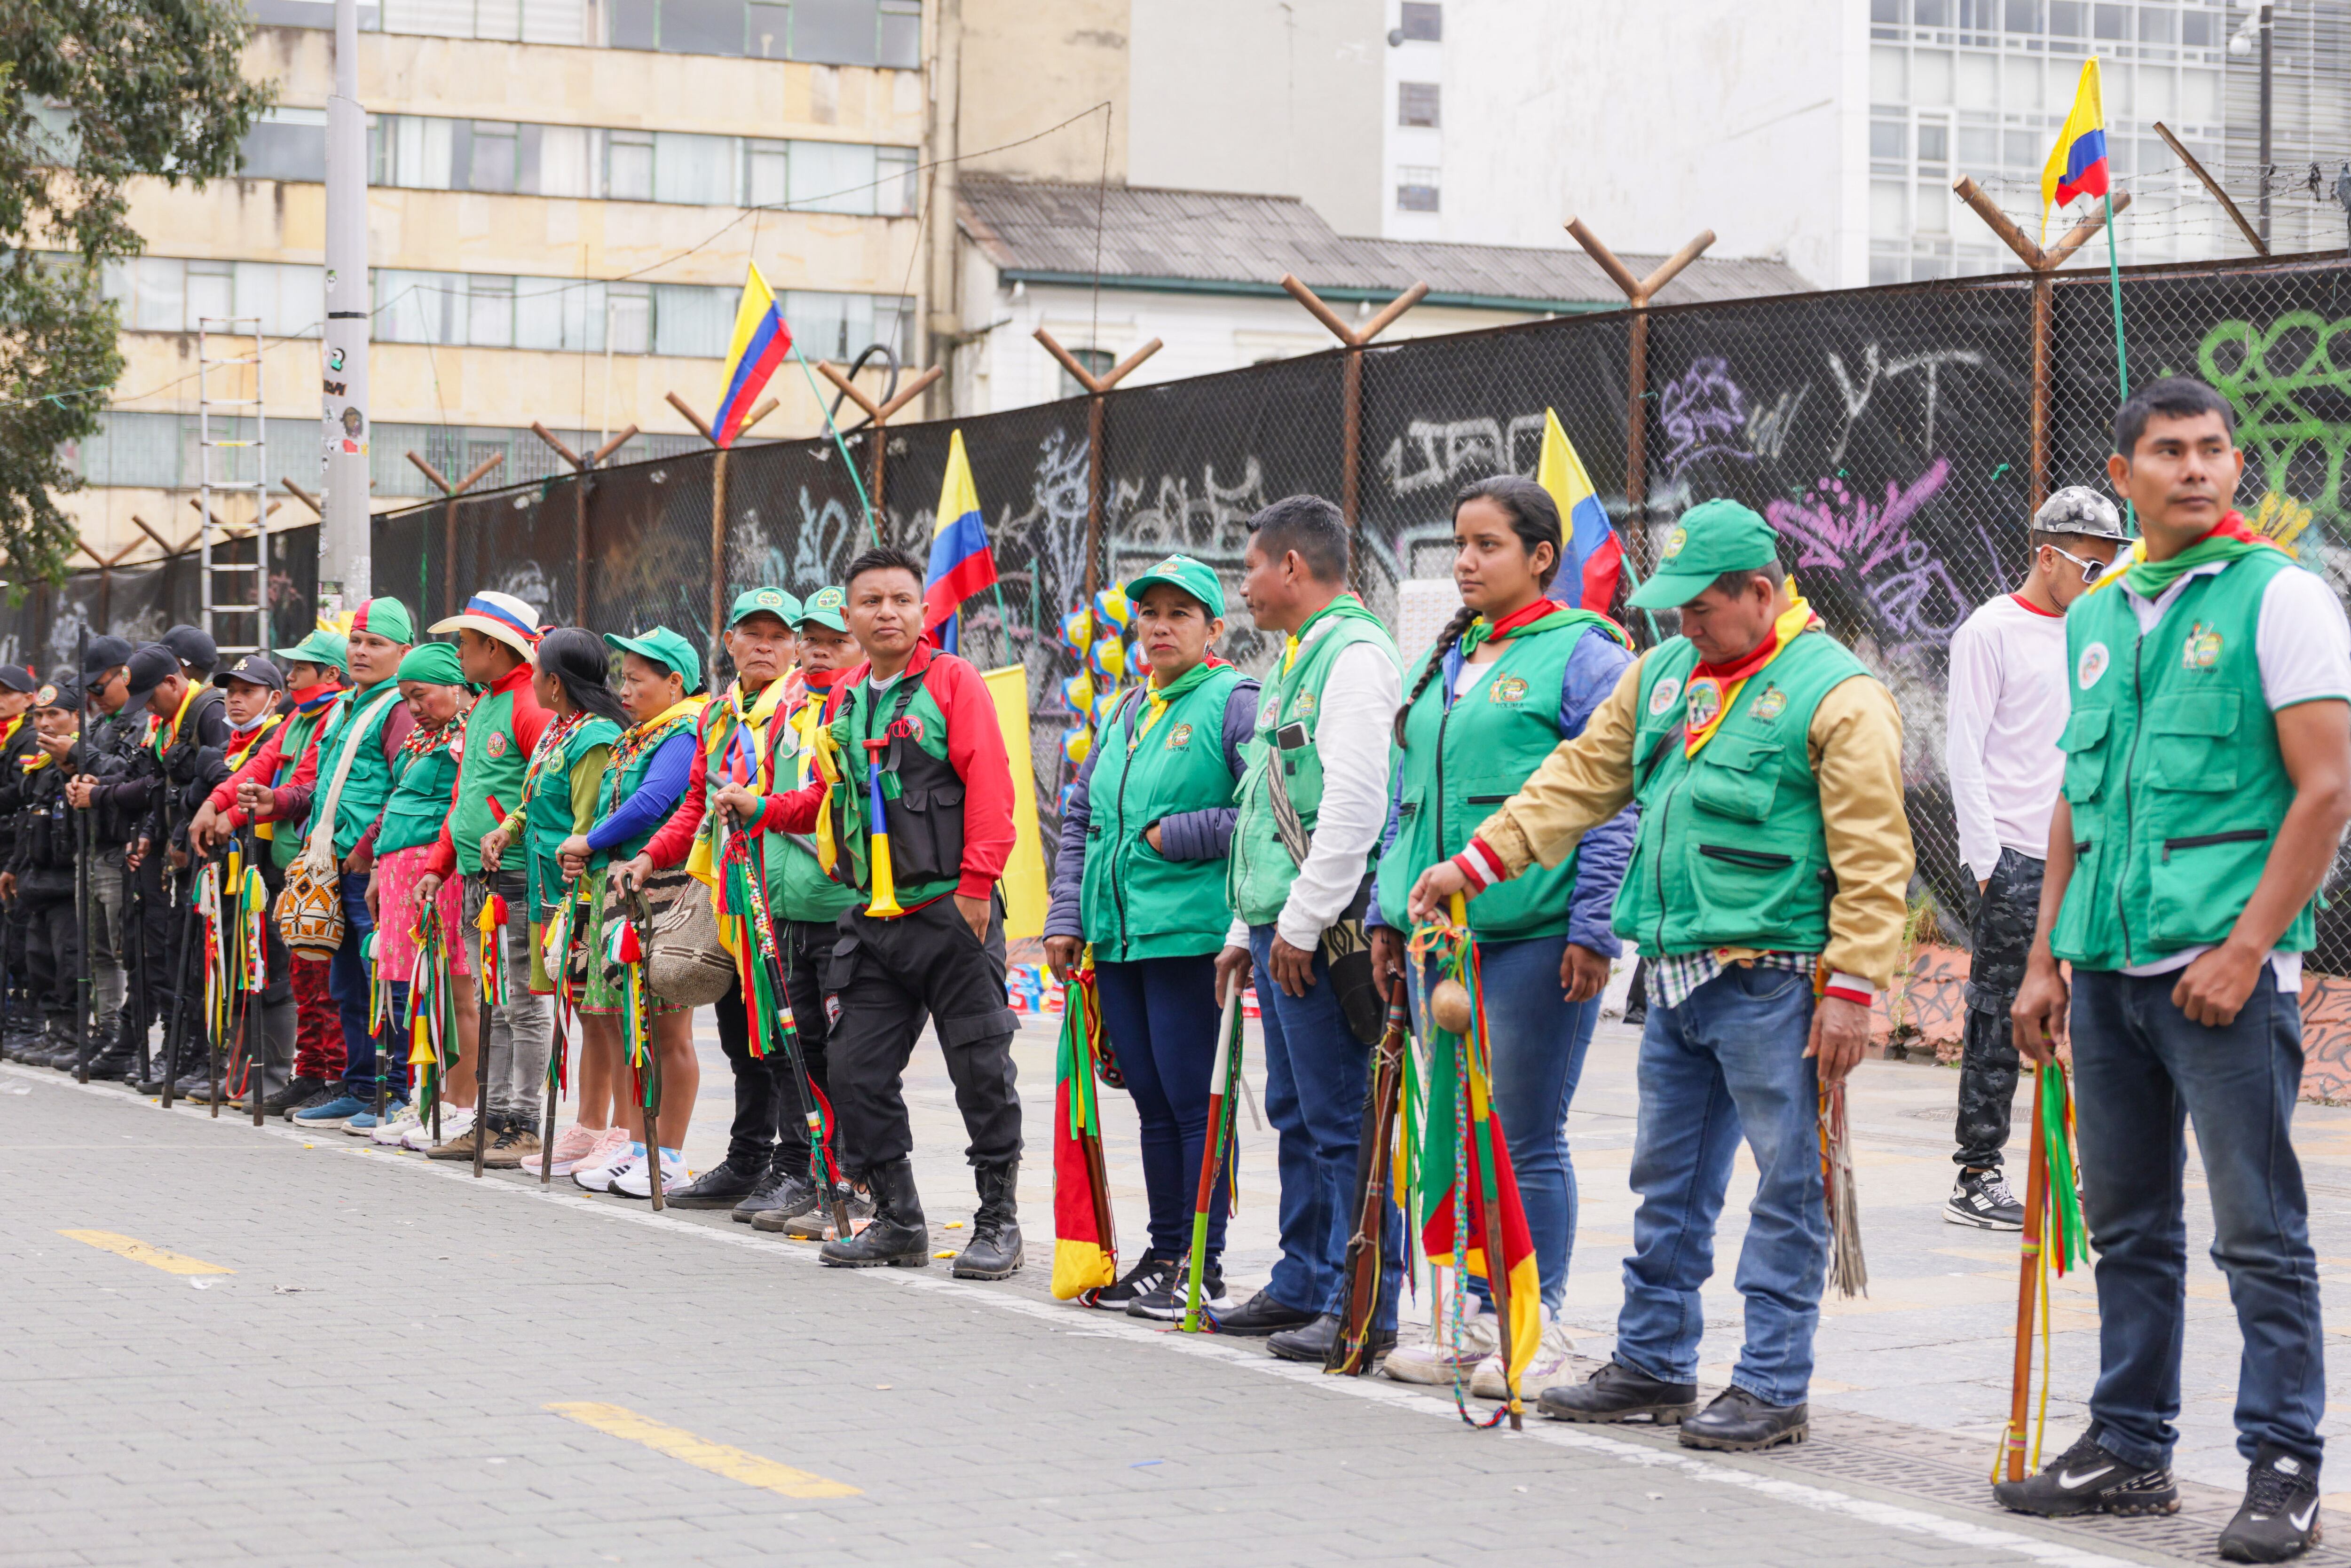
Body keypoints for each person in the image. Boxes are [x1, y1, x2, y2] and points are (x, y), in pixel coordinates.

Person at [1410, 497, 1912, 1452]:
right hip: (1675, 979)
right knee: (1666, 1181)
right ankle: (1653, 1360)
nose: (1681, 622)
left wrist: (1853, 989)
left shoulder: (1837, 694)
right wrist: (1476, 861)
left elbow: (1875, 856)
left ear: (1758, 593)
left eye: (1699, 607)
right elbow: (1577, 777)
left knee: (1787, 1186)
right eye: (1672, 605)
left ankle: (1770, 1383)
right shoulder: (1665, 672)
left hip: (1779, 984)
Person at [1998, 377, 2351, 1563]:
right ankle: (2129, 1446)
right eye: (2168, 451)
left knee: (2258, 1231)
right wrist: (2045, 958)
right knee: (2130, 1222)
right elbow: (2073, 797)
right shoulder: (2099, 612)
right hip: (2101, 973)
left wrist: (2247, 949)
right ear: (2127, 471)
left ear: (2234, 467)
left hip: (2223, 979)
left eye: (2212, 450)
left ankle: (2284, 1465)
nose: (2195, 469)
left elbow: (2326, 789)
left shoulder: (2281, 598)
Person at [1368, 475, 1637, 1396]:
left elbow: (1610, 795)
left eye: (1487, 544)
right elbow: (1410, 801)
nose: (1466, 561)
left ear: (1542, 558)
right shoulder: (1449, 657)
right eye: (1459, 543)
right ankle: (1480, 1315)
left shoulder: (1586, 652)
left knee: (1524, 1133)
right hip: (1439, 943)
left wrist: (1593, 924)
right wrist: (1382, 905)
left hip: (1535, 932)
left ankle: (1538, 1318)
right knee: (1462, 1133)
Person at [728, 546, 1022, 1276]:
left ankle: (999, 1222)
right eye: (871, 601)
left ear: (922, 610)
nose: (887, 611)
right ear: (850, 616)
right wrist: (763, 807)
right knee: (855, 1071)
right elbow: (832, 801)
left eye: (901, 599)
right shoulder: (847, 695)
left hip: (952, 912)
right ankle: (898, 1218)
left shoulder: (955, 682)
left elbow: (992, 785)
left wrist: (978, 886)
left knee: (981, 1071)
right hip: (873, 919)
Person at [1207, 496, 1404, 1360]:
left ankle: (1361, 1295)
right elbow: (1267, 805)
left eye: (1250, 566)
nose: (1242, 585)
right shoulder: (1299, 656)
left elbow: (1357, 807)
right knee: (1296, 1111)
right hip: (1282, 928)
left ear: (1291, 567)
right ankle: (1304, 1281)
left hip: (1321, 934)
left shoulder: (1355, 659)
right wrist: (1246, 932)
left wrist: (1298, 922)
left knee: (1341, 1121)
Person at [1044, 554, 1259, 1316]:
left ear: (1213, 629)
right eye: (1149, 615)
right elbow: (1084, 821)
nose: (1160, 627)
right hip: (1119, 941)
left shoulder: (1236, 702)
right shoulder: (1128, 712)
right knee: (1153, 1104)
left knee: (1195, 1103)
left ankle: (1203, 1265)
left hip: (1189, 939)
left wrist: (1185, 833)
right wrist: (1067, 918)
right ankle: (1164, 1251)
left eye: (1179, 614)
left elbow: (1268, 813)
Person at [1941, 484, 2126, 1230]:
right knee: (1998, 1018)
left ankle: (2086, 1171)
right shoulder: (1990, 631)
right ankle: (1978, 1175)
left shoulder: (2101, 631)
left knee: (2100, 1016)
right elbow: (1963, 754)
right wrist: (1989, 865)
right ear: (2047, 555)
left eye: (2110, 570)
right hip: (2016, 855)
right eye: (2091, 568)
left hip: (2092, 853)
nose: (2101, 582)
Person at [635, 587, 815, 1213]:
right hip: (732, 893)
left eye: (777, 635)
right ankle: (749, 1158)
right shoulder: (717, 714)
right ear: (731, 641)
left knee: (787, 1037)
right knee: (741, 1034)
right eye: (752, 634)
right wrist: (651, 855)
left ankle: (799, 1164)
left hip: (790, 891)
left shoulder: (806, 704)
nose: (764, 646)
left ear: (797, 644)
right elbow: (693, 802)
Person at [563, 626, 706, 1198]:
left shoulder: (684, 732)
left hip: (663, 892)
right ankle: (638, 1146)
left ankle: (668, 1153)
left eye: (636, 678)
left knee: (670, 1028)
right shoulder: (638, 734)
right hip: (624, 889)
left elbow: (654, 801)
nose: (624, 688)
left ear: (675, 682)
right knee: (634, 1022)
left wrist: (589, 842)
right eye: (622, 675)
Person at [742, 586, 865, 1237]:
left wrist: (763, 809)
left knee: (850, 1053)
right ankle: (814, 1173)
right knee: (799, 1044)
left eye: (832, 638)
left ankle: (856, 1179)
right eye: (809, 636)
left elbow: (826, 803)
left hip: (843, 906)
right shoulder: (789, 708)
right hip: (785, 904)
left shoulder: (858, 708)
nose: (817, 648)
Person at [266, 599, 417, 1126]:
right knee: (347, 983)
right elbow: (321, 784)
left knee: (387, 981)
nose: (360, 650)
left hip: (372, 872)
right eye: (355, 640)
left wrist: (367, 849)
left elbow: (407, 790)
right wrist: (278, 802)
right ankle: (357, 1086)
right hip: (335, 866)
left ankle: (393, 1091)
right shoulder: (341, 706)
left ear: (404, 651)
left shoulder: (399, 707)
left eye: (375, 643)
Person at [480, 627, 625, 1174]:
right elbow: (534, 801)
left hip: (579, 890)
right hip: (547, 884)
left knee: (601, 1009)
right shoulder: (557, 732)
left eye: (537, 669)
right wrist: (508, 829)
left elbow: (589, 819)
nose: (532, 678)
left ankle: (612, 1129)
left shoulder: (594, 738)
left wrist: (576, 872)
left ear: (555, 683)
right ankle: (588, 1126)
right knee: (585, 1014)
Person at [418, 592, 554, 1165]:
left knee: (522, 1003)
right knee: (495, 1000)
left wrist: (512, 838)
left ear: (494, 647)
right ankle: (491, 1118)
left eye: (466, 642)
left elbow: (546, 790)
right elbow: (464, 798)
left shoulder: (527, 703)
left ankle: (522, 1123)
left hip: (517, 879)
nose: (459, 651)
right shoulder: (485, 707)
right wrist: (438, 865)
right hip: (479, 881)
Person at [192, 629, 347, 1112]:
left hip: (322, 862)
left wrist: (234, 811)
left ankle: (335, 1077)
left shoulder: (335, 714)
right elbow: (257, 769)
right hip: (291, 863)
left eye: (300, 667)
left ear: (329, 674)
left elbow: (302, 785)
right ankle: (310, 1073)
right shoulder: (298, 718)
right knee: (302, 974)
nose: (291, 672)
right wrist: (215, 803)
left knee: (322, 979)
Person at [352, 643, 477, 1150]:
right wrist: (381, 866)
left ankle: (462, 1106)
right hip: (402, 875)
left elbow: (459, 807)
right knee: (426, 993)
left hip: (439, 875)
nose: (415, 708)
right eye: (407, 699)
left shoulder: (467, 737)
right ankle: (431, 1100)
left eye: (421, 695)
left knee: (458, 992)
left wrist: (431, 866)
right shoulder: (422, 739)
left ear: (454, 684)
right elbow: (398, 802)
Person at [3, 679, 89, 1059]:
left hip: (67, 878)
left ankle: (72, 1031)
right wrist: (14, 867)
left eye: (54, 714)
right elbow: (30, 821)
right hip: (37, 876)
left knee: (69, 957)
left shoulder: (83, 761)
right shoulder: (43, 765)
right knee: (38, 956)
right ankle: (53, 1029)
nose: (45, 723)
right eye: (39, 715)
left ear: (76, 717)